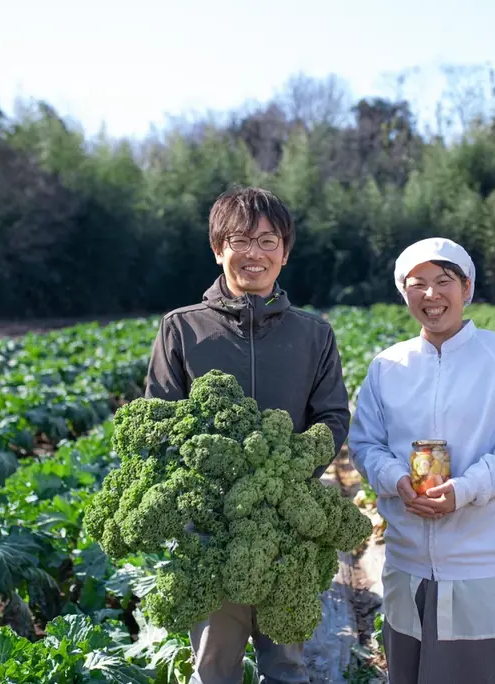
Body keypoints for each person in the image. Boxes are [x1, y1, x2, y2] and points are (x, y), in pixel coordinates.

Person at [143, 186, 351, 684]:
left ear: (284, 252)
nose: (254, 253)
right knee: (214, 667)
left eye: (268, 241)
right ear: (218, 248)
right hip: (211, 531)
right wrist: (213, 490)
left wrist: (284, 476)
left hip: (289, 530)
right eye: (240, 239)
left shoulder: (313, 334)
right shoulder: (182, 329)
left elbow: (332, 417)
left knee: (288, 665)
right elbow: (158, 420)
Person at [347, 237, 495, 684]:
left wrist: (467, 488)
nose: (430, 295)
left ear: (467, 287)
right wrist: (395, 478)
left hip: (484, 567)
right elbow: (365, 444)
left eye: (443, 282)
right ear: (404, 294)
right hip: (408, 567)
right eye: (416, 284)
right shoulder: (388, 366)